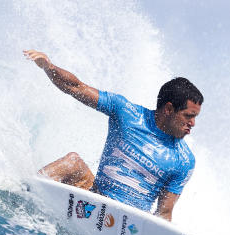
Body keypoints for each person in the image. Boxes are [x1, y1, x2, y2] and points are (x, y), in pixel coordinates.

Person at [24, 49, 202, 221]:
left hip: (129, 225)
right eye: (188, 116)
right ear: (169, 109)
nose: (192, 124)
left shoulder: (184, 160)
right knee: (73, 162)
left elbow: (163, 214)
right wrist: (48, 67)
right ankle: (24, 195)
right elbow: (76, 87)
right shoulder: (126, 113)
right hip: (95, 201)